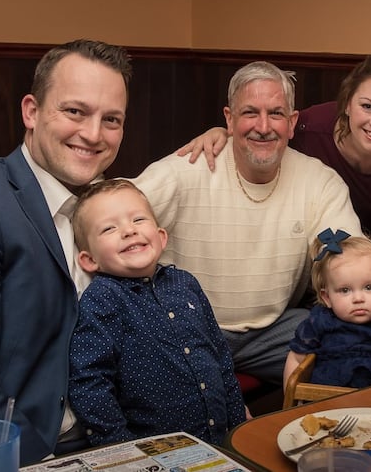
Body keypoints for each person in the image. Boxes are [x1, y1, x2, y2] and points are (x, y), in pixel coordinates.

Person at [133, 61, 371, 384]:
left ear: (292, 121)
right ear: (229, 119)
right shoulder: (187, 168)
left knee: (361, 342)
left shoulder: (320, 181)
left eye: (276, 114)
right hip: (186, 327)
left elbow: (349, 256)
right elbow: (108, 216)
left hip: (273, 331)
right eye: (249, 113)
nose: (263, 126)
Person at [0, 40, 132, 466]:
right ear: (31, 112)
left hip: (114, 437)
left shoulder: (113, 207)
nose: (93, 134)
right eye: (75, 111)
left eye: (110, 119)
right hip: (26, 450)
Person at [178, 55, 371, 299]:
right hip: (316, 261)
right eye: (367, 106)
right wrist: (222, 135)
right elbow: (263, 132)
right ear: (346, 104)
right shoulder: (309, 130)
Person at [68, 179, 246, 446]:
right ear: (89, 260)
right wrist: (121, 450)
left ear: (161, 237)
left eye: (138, 219)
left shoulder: (186, 284)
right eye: (109, 228)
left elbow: (220, 358)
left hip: (219, 442)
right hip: (155, 452)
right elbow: (90, 383)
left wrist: (239, 428)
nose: (128, 231)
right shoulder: (102, 299)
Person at [284, 229, 371, 388]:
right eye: (345, 290)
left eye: (369, 287)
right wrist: (292, 402)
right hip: (326, 401)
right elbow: (296, 358)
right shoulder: (319, 320)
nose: (358, 298)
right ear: (327, 297)